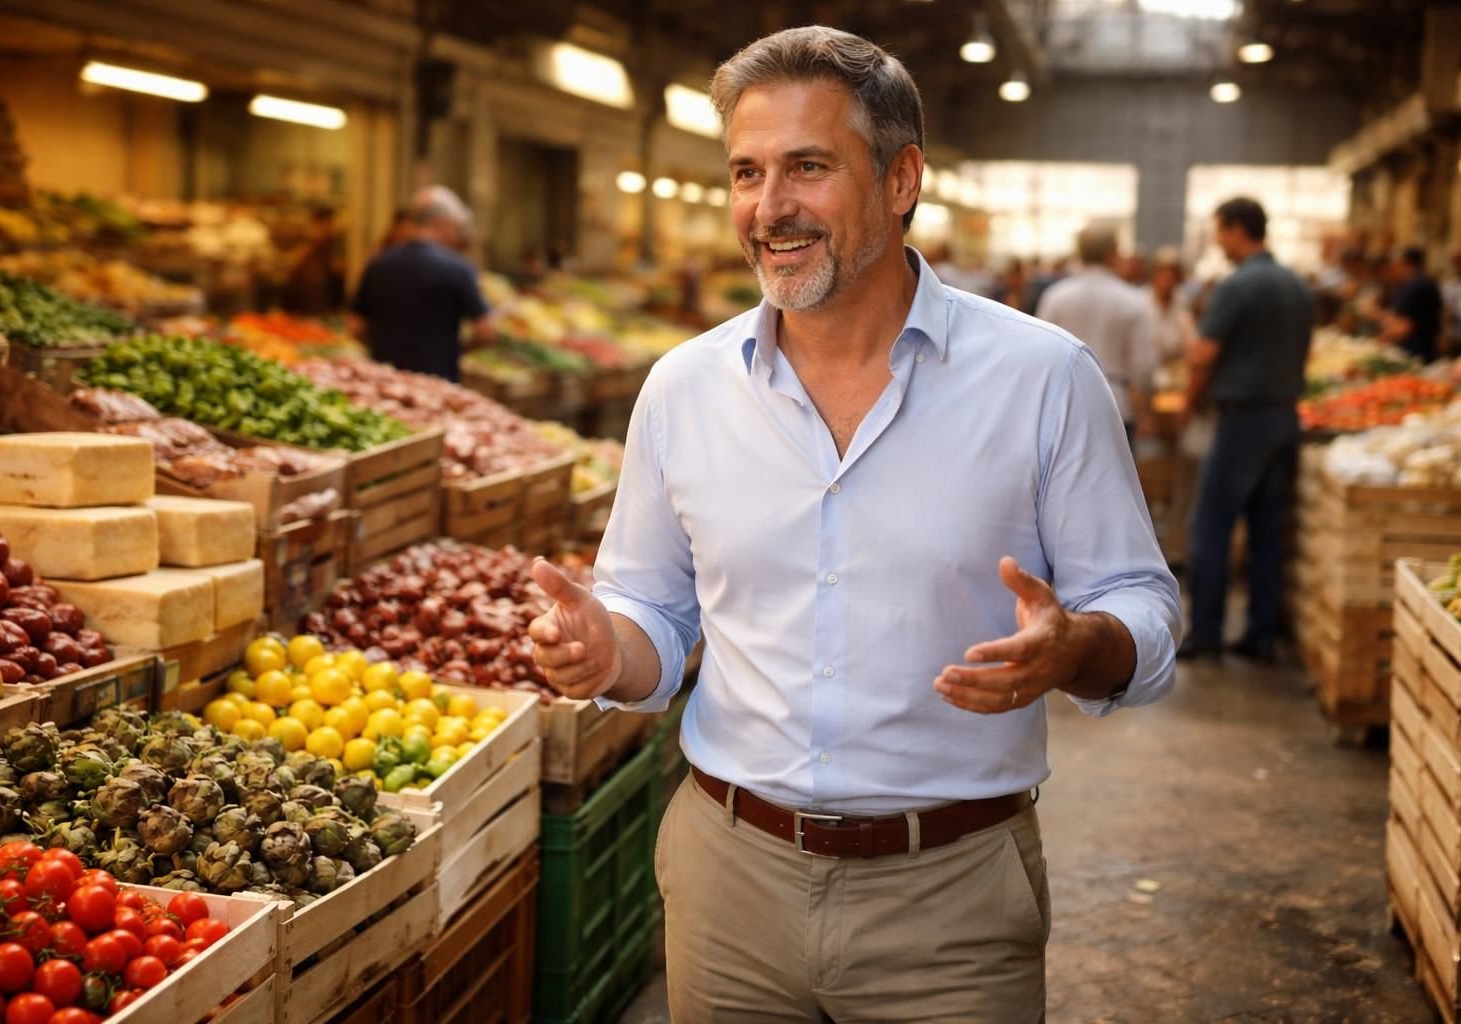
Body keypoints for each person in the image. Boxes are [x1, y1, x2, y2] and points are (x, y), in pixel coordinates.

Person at [525, 25, 1181, 1021]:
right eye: (747, 172)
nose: (769, 208)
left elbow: (1143, 602)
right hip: (727, 881)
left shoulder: (1043, 380)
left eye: (809, 167)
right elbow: (654, 613)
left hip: (951, 898)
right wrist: (603, 648)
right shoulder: (684, 389)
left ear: (901, 177)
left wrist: (1078, 645)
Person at [1180, 197, 1312, 663]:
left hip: (1242, 421)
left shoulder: (1238, 286)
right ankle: (1259, 634)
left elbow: (1202, 355)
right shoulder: (1297, 285)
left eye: (1219, 231)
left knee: (1211, 526)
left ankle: (1207, 634)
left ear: (1237, 229)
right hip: (1283, 417)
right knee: (1266, 530)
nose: (1218, 242)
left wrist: (1189, 402)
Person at [349, 187, 493, 382]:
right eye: (456, 229)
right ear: (442, 224)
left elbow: (355, 327)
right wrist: (456, 350)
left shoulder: (378, 264)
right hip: (437, 381)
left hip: (384, 380)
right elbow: (486, 332)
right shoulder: (459, 268)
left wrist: (382, 347)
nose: (457, 236)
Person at [1035, 225, 1157, 444]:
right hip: (1116, 403)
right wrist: (1145, 409)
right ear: (1113, 253)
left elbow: (1039, 355)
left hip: (1064, 404)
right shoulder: (1132, 300)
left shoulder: (1056, 297)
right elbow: (1143, 366)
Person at [1381, 246, 1443, 363]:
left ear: (1406, 263)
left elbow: (1406, 325)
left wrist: (1380, 341)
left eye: (1396, 262)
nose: (1393, 266)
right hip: (1418, 346)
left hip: (1415, 349)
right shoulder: (1420, 283)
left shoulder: (1417, 287)